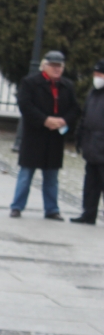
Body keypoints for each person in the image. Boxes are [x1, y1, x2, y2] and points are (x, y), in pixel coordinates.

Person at [10, 51, 80, 221]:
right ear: (44, 66)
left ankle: (52, 209)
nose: (57, 69)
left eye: (60, 66)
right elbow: (25, 105)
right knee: (26, 174)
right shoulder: (30, 83)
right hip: (35, 135)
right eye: (53, 66)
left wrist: (63, 120)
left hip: (55, 137)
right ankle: (17, 206)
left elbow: (75, 108)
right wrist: (44, 120)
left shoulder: (67, 85)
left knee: (52, 177)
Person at [71, 59, 104, 225]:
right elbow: (85, 117)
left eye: (100, 74)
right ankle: (88, 214)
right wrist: (79, 138)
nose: (97, 77)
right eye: (96, 73)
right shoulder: (93, 92)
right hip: (91, 146)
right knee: (91, 184)